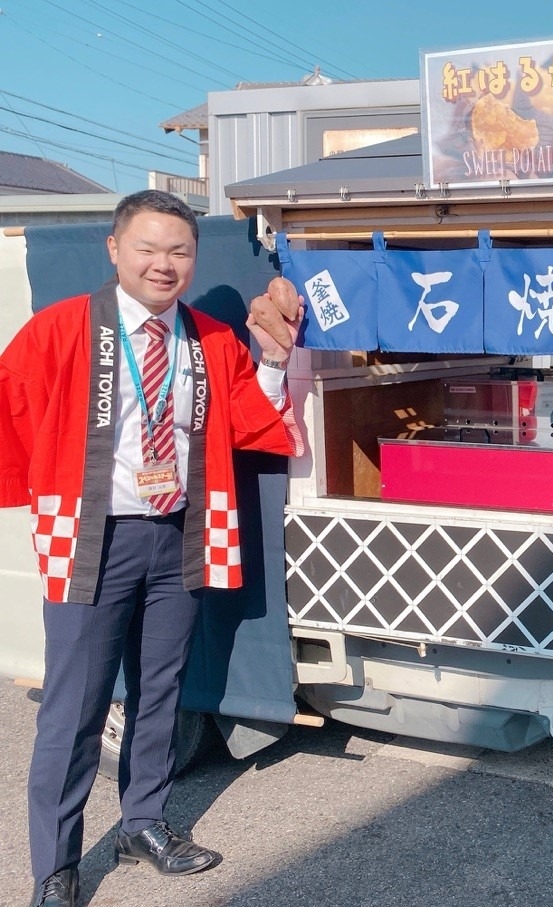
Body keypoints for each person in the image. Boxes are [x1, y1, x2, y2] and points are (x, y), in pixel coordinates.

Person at [0, 190, 306, 907]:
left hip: (180, 532)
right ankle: (55, 863)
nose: (163, 264)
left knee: (161, 690)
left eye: (179, 250)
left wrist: (268, 357)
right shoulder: (59, 330)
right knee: (73, 707)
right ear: (114, 249)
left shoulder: (208, 338)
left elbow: (250, 421)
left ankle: (143, 822)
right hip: (92, 537)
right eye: (148, 247)